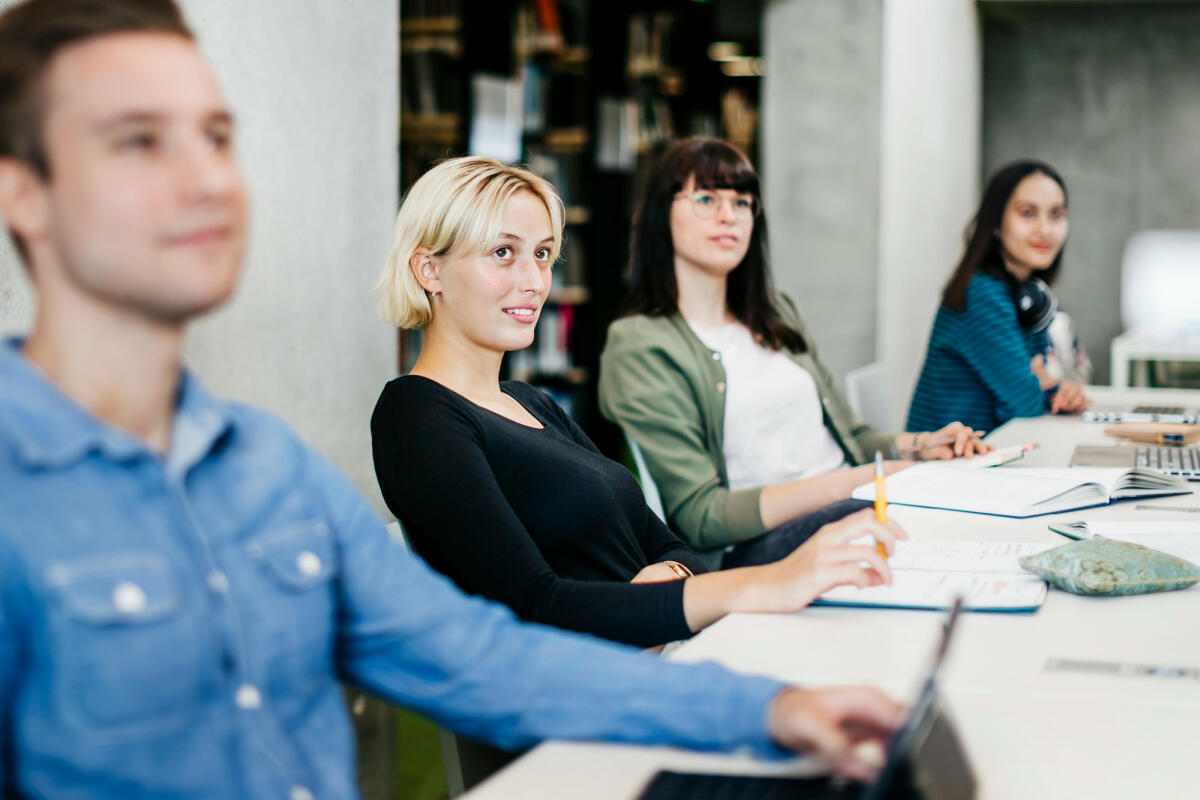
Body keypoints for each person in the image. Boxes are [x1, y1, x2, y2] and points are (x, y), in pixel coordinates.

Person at [0, 1, 906, 794]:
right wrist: (762, 588)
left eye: (217, 138)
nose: (204, 178)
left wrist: (771, 709)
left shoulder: (269, 472)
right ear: (23, 193)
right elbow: (536, 609)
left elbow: (486, 658)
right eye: (137, 140)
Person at [371, 155, 907, 651]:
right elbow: (536, 608)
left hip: (665, 652)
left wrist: (665, 583)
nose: (534, 281)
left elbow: (670, 544)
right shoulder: (416, 416)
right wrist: (769, 582)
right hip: (602, 700)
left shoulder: (532, 403)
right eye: (502, 253)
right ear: (429, 271)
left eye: (541, 255)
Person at [596, 137, 988, 572]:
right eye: (706, 198)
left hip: (846, 507)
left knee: (964, 505)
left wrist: (919, 447)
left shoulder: (774, 312)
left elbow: (852, 437)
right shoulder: (640, 344)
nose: (728, 215)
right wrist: (858, 484)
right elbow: (702, 516)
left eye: (742, 202)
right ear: (660, 214)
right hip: (755, 550)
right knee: (914, 523)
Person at [907, 160, 1091, 433]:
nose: (1045, 229)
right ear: (995, 224)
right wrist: (1042, 385)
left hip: (989, 452)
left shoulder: (1027, 293)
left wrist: (1054, 389)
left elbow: (1030, 387)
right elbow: (1023, 406)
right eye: (1028, 213)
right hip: (946, 464)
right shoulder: (982, 294)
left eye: (1056, 215)